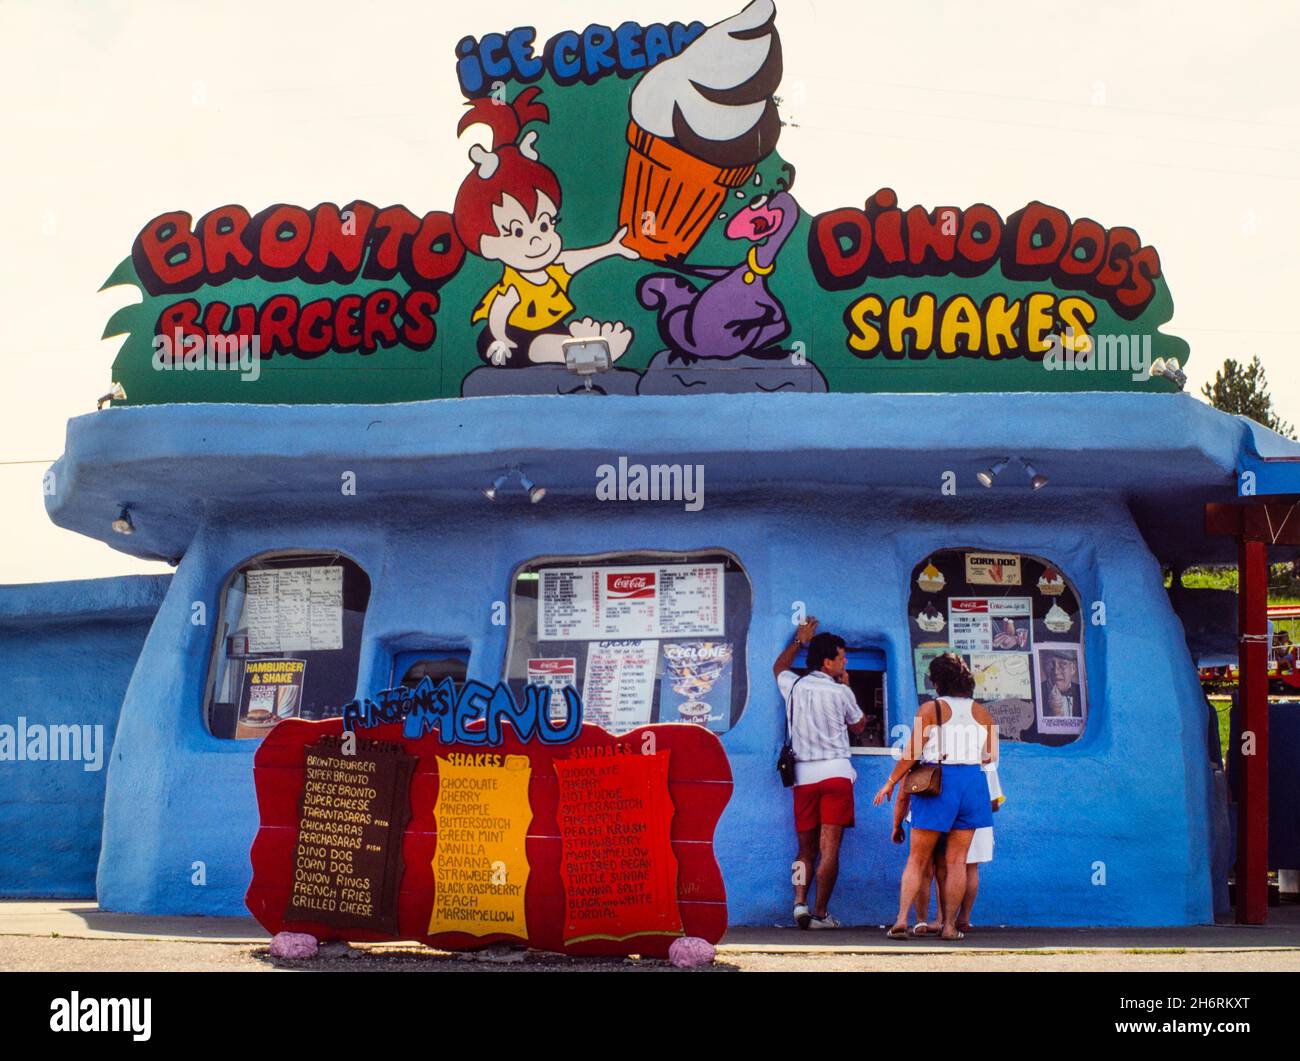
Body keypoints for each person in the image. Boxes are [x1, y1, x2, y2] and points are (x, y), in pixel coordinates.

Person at [873, 652, 996, 941]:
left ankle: (901, 920)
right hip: (972, 783)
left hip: (939, 782)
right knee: (957, 862)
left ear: (937, 682)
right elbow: (989, 756)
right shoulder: (983, 713)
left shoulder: (931, 709)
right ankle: (949, 926)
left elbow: (912, 752)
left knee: (918, 858)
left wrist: (890, 782)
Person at [773, 617, 866, 930]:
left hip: (803, 778)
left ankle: (799, 903)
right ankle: (821, 914)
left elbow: (778, 667)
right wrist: (848, 687)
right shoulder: (841, 692)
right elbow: (859, 725)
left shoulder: (794, 685)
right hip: (836, 774)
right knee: (829, 850)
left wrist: (799, 641)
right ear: (828, 663)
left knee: (805, 849)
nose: (845, 662)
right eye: (842, 657)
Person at [892, 761, 1005, 935]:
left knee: (919, 865)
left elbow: (902, 795)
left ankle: (914, 920)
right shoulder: (983, 766)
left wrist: (896, 822)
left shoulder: (921, 761)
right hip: (969, 814)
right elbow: (995, 803)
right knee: (958, 866)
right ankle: (950, 922)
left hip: (928, 812)